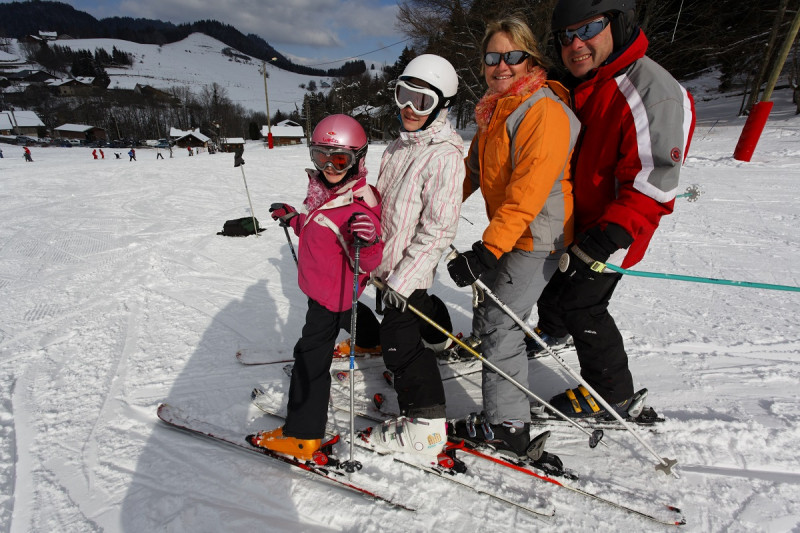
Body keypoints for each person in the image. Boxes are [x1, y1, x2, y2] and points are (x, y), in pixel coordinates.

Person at [533, 0, 696, 418]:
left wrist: (607, 238)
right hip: (580, 217)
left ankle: (611, 394)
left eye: (588, 29)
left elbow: (655, 180)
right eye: (566, 36)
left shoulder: (650, 88)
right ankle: (551, 332)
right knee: (554, 281)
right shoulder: (587, 82)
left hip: (621, 227)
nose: (576, 44)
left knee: (582, 302)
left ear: (617, 23)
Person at [445, 16, 580, 458]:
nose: (501, 66)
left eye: (513, 56)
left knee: (503, 325)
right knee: (492, 310)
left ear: (530, 59)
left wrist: (488, 248)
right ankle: (492, 360)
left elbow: (528, 191)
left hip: (537, 233)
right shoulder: (493, 109)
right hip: (509, 229)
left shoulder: (542, 110)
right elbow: (469, 172)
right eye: (492, 57)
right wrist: (432, 206)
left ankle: (506, 425)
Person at [249, 114, 383, 461]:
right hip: (327, 288)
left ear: (359, 159)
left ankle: (303, 434)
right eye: (320, 156)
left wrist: (368, 241)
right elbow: (317, 227)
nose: (329, 166)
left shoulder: (358, 206)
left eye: (339, 159)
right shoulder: (327, 193)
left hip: (330, 294)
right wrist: (293, 217)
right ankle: (371, 340)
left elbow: (369, 261)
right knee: (350, 311)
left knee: (310, 357)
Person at [360, 54, 464, 458]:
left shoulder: (444, 156)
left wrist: (403, 279)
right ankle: (439, 340)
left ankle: (426, 425)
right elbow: (383, 201)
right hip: (387, 265)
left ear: (441, 106)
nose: (408, 108)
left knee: (398, 336)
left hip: (410, 266)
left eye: (421, 102)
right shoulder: (397, 147)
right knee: (420, 307)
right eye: (403, 95)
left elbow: (439, 228)